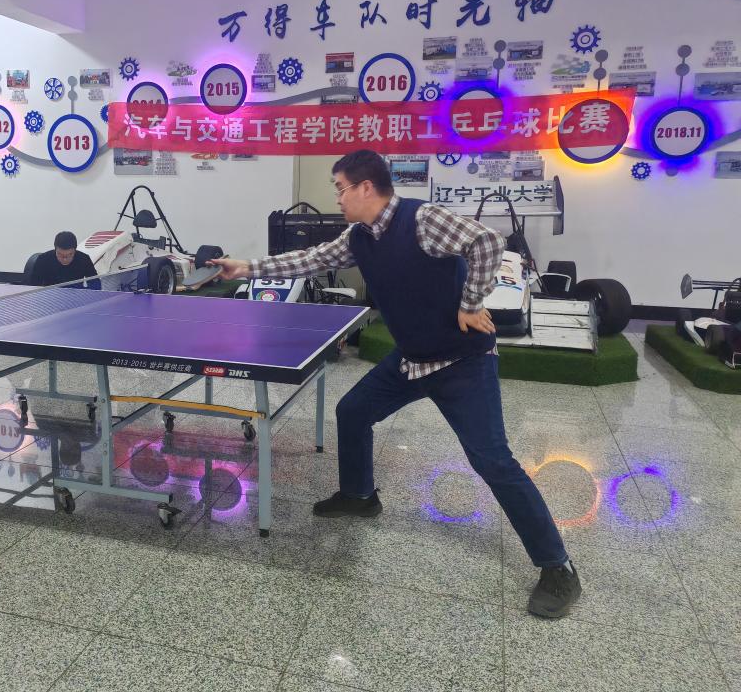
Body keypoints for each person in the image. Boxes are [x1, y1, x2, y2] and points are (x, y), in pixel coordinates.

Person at [210, 149, 581, 619]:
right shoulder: (359, 237)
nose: (338, 198)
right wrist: (246, 268)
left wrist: (470, 303)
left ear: (366, 187)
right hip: (411, 358)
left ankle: (558, 566)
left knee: (493, 461)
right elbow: (309, 259)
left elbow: (487, 242)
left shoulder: (422, 220)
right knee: (353, 411)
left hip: (462, 362)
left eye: (341, 188)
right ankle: (359, 496)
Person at [28, 231, 98, 287]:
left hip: (76, 296)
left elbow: (95, 284)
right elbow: (34, 286)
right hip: (50, 296)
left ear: (75, 250)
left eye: (70, 254)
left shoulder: (84, 259)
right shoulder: (43, 259)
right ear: (55, 249)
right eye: (60, 254)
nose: (65, 259)